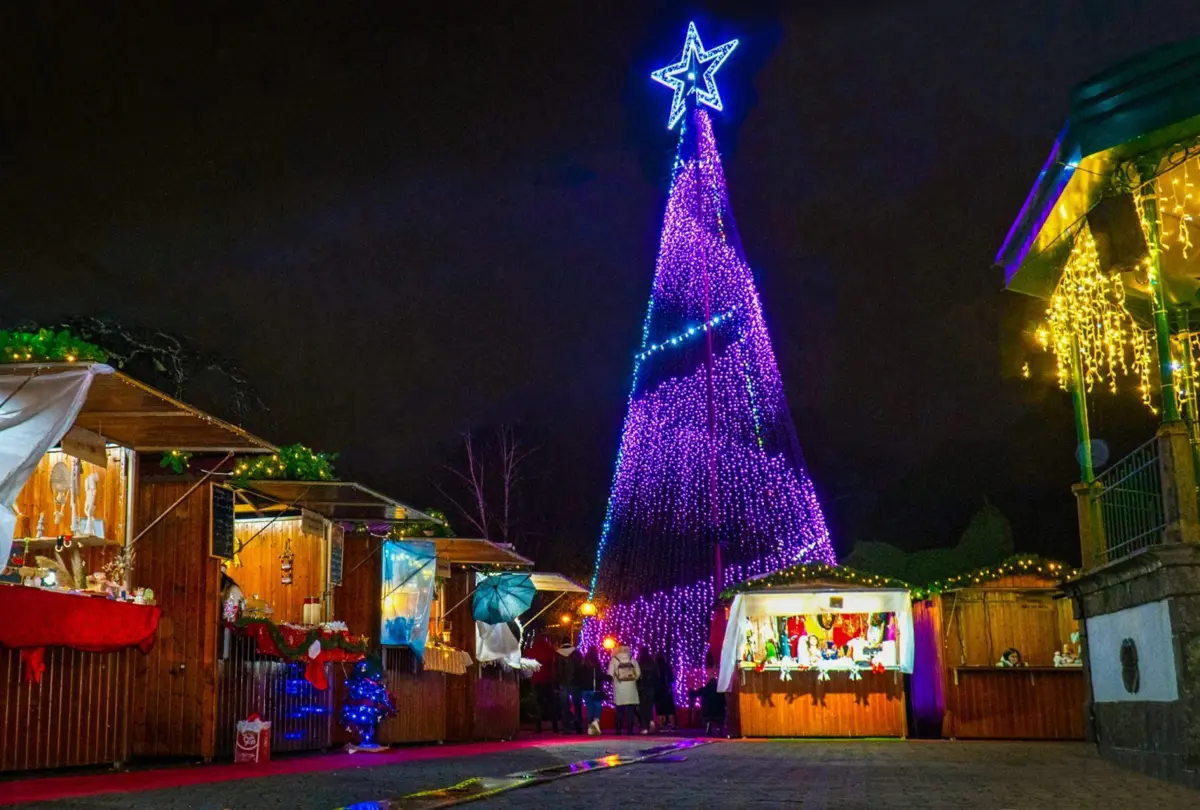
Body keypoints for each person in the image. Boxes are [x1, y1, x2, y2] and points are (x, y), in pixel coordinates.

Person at [606, 643, 640, 734]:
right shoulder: (632, 659)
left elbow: (610, 674)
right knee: (630, 711)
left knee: (619, 710)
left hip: (619, 688)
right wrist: (632, 680)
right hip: (631, 688)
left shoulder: (614, 660)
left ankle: (618, 730)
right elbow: (638, 673)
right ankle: (630, 730)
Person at [529, 635, 558, 732]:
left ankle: (539, 727)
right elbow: (553, 663)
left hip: (536, 680)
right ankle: (555, 726)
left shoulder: (532, 650)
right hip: (548, 680)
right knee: (551, 704)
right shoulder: (549, 650)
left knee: (538, 704)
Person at [554, 636, 583, 733]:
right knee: (577, 705)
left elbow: (555, 671)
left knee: (564, 706)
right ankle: (578, 724)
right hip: (575, 683)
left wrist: (556, 684)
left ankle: (566, 727)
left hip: (563, 683)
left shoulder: (557, 654)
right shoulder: (576, 653)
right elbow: (581, 668)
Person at [689, 666, 727, 737]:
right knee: (721, 713)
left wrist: (690, 691)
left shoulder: (704, 689)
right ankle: (719, 728)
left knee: (708, 714)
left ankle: (708, 724)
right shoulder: (720, 691)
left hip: (706, 712)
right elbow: (724, 703)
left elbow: (694, 694)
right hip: (718, 713)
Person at [577, 648, 605, 735]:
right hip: (595, 689)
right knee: (598, 707)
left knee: (590, 708)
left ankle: (589, 726)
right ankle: (596, 723)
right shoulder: (596, 666)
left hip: (585, 690)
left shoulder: (582, 666)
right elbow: (601, 676)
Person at [636, 646, 658, 734]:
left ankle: (644, 726)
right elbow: (657, 676)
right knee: (649, 706)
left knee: (642, 707)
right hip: (651, 687)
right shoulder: (652, 662)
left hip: (642, 687)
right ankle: (651, 721)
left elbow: (636, 675)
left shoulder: (639, 662)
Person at [653, 652, 677, 731]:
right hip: (667, 689)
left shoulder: (655, 667)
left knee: (660, 709)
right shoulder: (667, 666)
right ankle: (672, 725)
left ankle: (661, 725)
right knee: (670, 709)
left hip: (658, 690)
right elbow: (672, 679)